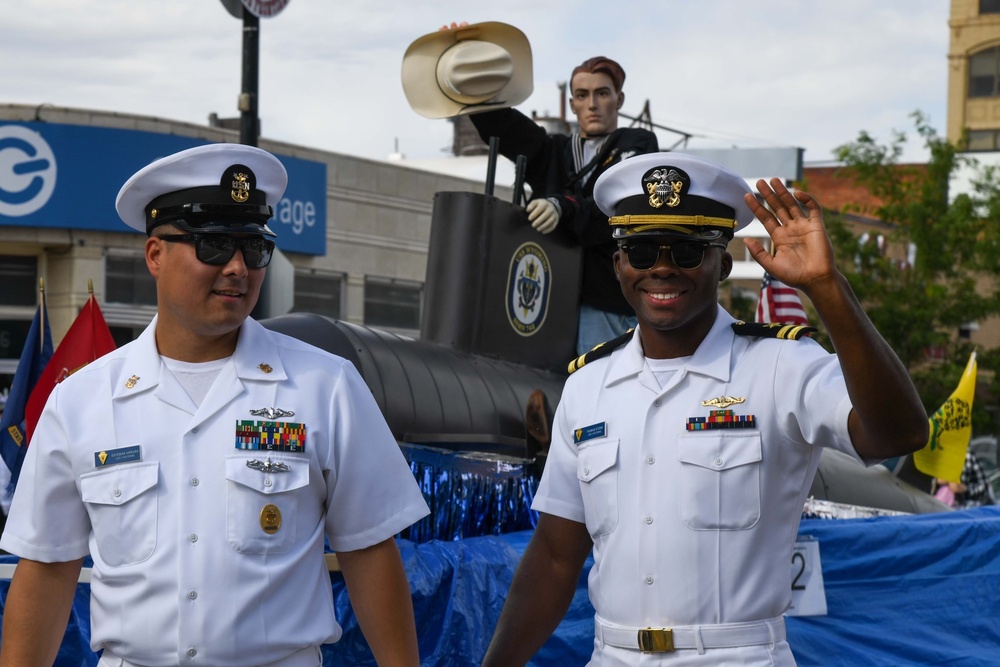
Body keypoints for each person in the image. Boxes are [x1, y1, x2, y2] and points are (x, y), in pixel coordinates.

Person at [480, 153, 929, 666]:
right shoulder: (587, 386)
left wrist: (828, 289)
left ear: (723, 261)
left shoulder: (781, 365)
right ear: (619, 263)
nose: (662, 267)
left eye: (689, 251)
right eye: (642, 250)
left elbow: (898, 434)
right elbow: (557, 558)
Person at [0, 143, 430, 667]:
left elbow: (368, 552)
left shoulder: (325, 386)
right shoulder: (82, 401)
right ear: (155, 254)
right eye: (213, 245)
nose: (237, 268)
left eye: (254, 249)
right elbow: (46, 567)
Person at [469, 54, 659, 356]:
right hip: (549, 303)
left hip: (607, 304)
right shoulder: (555, 151)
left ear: (619, 99)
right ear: (572, 104)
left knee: (600, 388)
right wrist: (471, 83)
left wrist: (563, 206)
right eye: (582, 95)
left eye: (602, 93)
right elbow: (508, 130)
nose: (592, 104)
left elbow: (617, 208)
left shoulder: (637, 145)